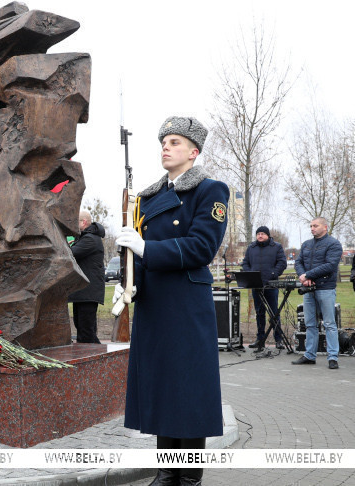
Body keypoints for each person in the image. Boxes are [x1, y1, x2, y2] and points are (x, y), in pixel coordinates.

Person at [114, 116, 228, 486]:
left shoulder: (211, 191)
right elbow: (136, 258)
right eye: (164, 141)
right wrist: (128, 282)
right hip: (154, 305)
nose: (166, 146)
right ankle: (167, 472)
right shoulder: (146, 197)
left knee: (189, 390)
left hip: (186, 304)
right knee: (164, 388)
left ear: (194, 152)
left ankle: (190, 478)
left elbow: (201, 248)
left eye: (175, 142)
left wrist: (146, 247)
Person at [292, 217, 343, 370]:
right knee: (310, 324)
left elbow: (330, 265)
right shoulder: (306, 244)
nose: (312, 228)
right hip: (309, 289)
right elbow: (298, 262)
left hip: (326, 288)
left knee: (329, 324)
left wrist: (308, 275)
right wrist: (303, 276)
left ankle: (333, 357)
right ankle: (309, 355)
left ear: (325, 227)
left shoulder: (334, 244)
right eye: (311, 226)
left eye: (315, 225)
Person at [240, 225, 287, 351]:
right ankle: (260, 339)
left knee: (274, 313)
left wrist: (273, 274)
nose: (260, 236)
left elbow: (282, 262)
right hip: (256, 285)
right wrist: (250, 274)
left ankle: (279, 340)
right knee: (260, 313)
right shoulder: (251, 248)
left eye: (262, 234)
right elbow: (245, 263)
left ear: (268, 235)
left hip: (271, 285)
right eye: (258, 234)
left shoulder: (276, 247)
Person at [67, 210, 105, 344]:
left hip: (88, 292)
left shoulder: (90, 239)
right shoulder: (85, 238)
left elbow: (70, 254)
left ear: (83, 222)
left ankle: (95, 360)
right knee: (83, 329)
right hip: (83, 292)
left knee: (86, 332)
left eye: (75, 222)